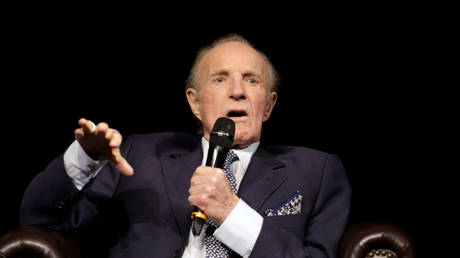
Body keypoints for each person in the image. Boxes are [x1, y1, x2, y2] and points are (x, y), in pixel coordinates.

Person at [19, 34, 351, 258]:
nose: (237, 91)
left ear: (268, 105)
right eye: (220, 78)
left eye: (252, 79)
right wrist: (84, 158)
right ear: (194, 102)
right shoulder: (144, 155)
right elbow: (39, 223)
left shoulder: (316, 171)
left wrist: (232, 214)